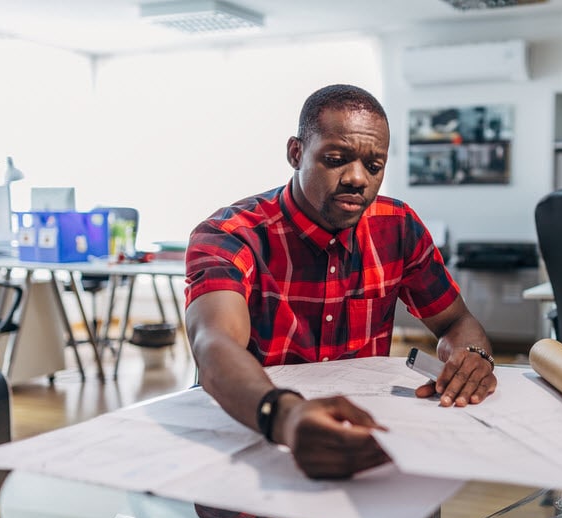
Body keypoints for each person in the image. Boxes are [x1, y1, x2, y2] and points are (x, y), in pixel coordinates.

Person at [185, 84, 498, 481]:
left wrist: (472, 355)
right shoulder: (232, 235)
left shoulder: (397, 227)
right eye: (336, 159)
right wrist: (285, 416)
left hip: (358, 440)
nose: (357, 179)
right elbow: (214, 344)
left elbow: (456, 321)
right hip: (249, 438)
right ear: (296, 153)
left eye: (374, 166)